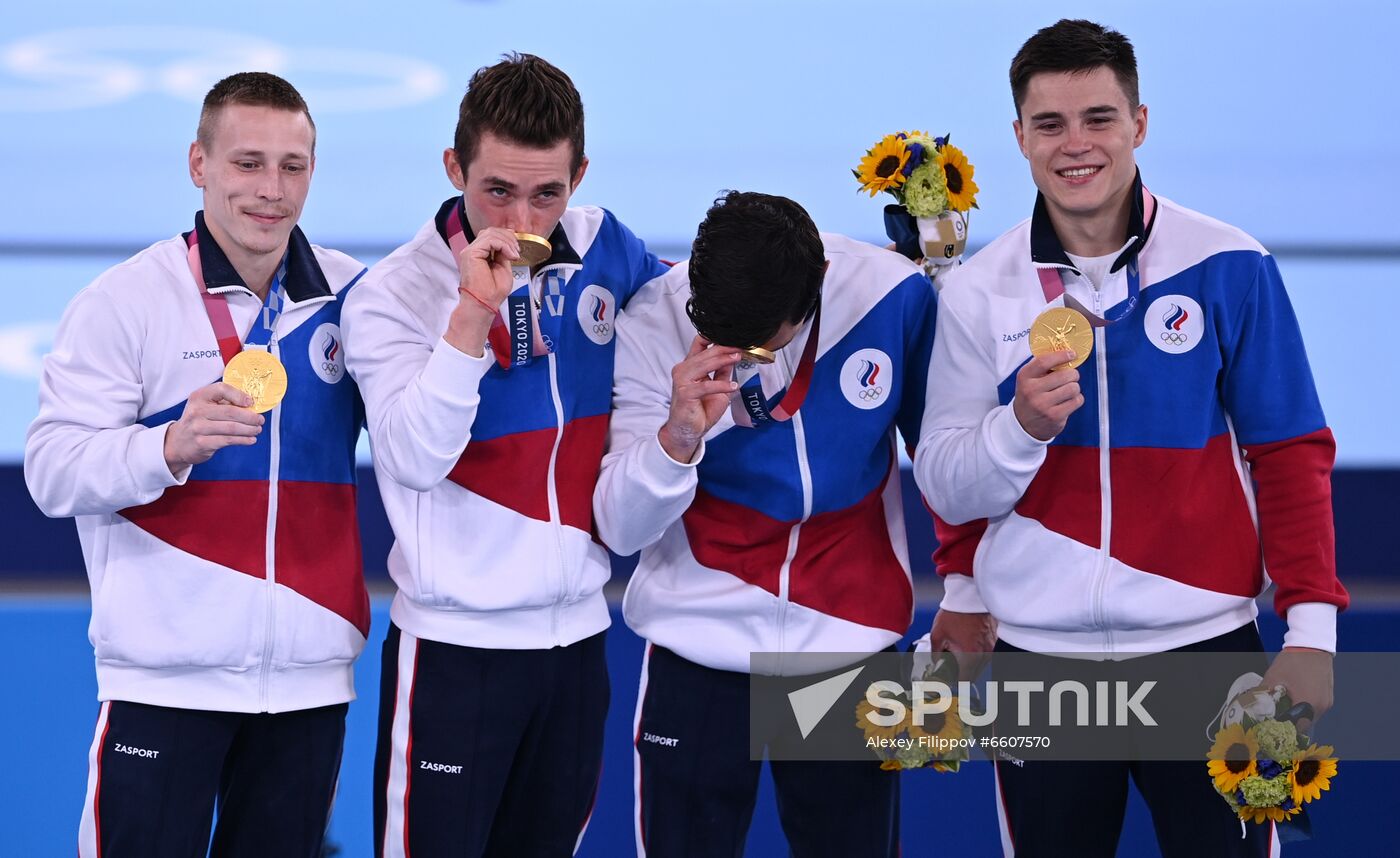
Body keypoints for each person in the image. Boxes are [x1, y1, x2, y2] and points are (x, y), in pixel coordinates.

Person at [913, 19, 1349, 857]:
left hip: (1213, 656)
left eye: (1099, 119)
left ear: (1139, 124)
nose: (1076, 145)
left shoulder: (1229, 263)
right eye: (1050, 125)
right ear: (1019, 138)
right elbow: (947, 484)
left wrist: (1312, 638)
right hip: (1042, 666)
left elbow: (1292, 453)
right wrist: (1019, 430)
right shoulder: (976, 291)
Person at [25, 72, 369, 857]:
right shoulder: (126, 302)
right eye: (248, 163)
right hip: (163, 682)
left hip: (309, 687)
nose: (271, 191)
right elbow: (49, 471)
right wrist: (165, 446)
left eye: (293, 166)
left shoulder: (355, 297)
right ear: (198, 164)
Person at [340, 53, 668, 857]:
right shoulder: (392, 294)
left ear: (579, 174)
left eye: (547, 193)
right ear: (454, 167)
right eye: (497, 190)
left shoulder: (608, 249)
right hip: (456, 655)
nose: (522, 218)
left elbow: (706, 309)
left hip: (578, 650)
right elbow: (413, 458)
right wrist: (470, 314)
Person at [594, 190, 938, 857]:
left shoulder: (889, 295)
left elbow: (949, 464)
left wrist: (971, 598)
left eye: (760, 342)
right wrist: (677, 438)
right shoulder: (651, 319)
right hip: (698, 653)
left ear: (811, 299)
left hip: (851, 653)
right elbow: (619, 529)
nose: (742, 354)